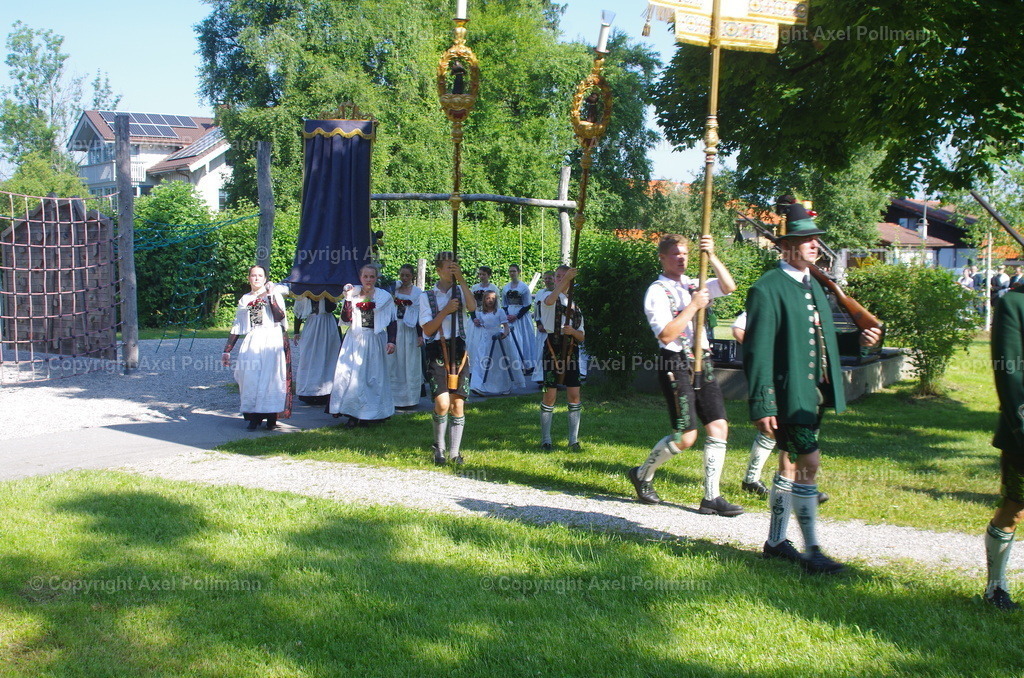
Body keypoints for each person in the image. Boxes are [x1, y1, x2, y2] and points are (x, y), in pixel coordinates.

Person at [744, 205, 881, 574]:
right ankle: (813, 550)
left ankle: (775, 542)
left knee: (789, 465)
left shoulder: (815, 286)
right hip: (790, 396)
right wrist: (762, 403)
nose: (815, 245)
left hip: (815, 392)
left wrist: (859, 341)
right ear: (786, 246)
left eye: (815, 239)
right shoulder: (766, 288)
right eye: (806, 240)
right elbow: (757, 352)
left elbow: (824, 340)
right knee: (810, 463)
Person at [627, 234, 744, 516]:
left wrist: (712, 255)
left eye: (685, 254)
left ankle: (711, 497)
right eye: (675, 254)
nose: (681, 259)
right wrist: (693, 306)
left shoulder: (695, 283)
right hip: (675, 363)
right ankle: (642, 474)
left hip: (703, 360)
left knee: (719, 426)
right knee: (686, 437)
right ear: (662, 258)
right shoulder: (657, 291)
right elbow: (666, 334)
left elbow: (729, 286)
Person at [732, 311, 829, 504]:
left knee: (796, 434)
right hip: (785, 378)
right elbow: (738, 329)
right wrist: (766, 356)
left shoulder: (814, 301)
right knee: (785, 431)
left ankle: (766, 481)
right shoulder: (775, 294)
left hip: (811, 379)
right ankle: (794, 487)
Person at [984, 282, 1024, 610]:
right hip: (1022, 428)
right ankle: (996, 586)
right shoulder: (1014, 302)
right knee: (1016, 505)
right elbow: (1009, 371)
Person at [420, 252, 476, 464]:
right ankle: (439, 447)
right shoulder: (426, 296)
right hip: (437, 348)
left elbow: (472, 308)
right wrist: (445, 311)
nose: (452, 272)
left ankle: (454, 452)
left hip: (459, 349)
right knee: (442, 403)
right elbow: (427, 329)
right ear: (438, 270)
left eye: (455, 268)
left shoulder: (461, 291)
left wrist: (461, 280)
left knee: (458, 404)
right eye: (448, 268)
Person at [328, 264, 397, 427]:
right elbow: (345, 318)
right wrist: (348, 297)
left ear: (376, 278)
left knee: (373, 376)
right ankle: (352, 413)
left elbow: (392, 320)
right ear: (360, 278)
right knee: (352, 376)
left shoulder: (383, 298)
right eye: (365, 276)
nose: (368, 280)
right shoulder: (354, 295)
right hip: (355, 339)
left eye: (372, 277)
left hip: (375, 339)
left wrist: (392, 341)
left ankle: (373, 413)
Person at [222, 265, 290, 431]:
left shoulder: (273, 293)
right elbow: (238, 326)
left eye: (260, 275)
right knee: (250, 377)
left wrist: (271, 295)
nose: (257, 278)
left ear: (265, 278)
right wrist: (227, 350)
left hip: (272, 339)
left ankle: (271, 418)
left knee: (271, 378)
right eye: (253, 275)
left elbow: (279, 316)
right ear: (249, 278)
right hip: (254, 338)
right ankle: (253, 416)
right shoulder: (245, 299)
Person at [538, 265, 585, 452]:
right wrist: (566, 280)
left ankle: (573, 440)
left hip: (571, 351)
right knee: (550, 395)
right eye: (557, 276)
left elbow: (582, 336)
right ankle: (546, 439)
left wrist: (573, 331)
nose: (559, 279)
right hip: (552, 349)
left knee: (574, 395)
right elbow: (551, 300)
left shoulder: (576, 306)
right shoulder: (547, 297)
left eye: (563, 277)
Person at [469, 290, 526, 395]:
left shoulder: (500, 312)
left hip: (498, 340)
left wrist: (504, 334)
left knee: (499, 364)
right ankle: (478, 386)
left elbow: (506, 327)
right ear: (484, 300)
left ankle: (504, 386)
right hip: (485, 340)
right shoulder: (481, 313)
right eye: (487, 298)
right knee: (481, 361)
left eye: (492, 299)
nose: (490, 301)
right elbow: (481, 326)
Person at [292, 295, 341, 406]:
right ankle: (308, 391)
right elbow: (298, 312)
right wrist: (296, 331)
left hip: (327, 324)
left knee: (327, 356)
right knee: (308, 357)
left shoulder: (328, 291)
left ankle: (326, 391)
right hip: (312, 324)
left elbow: (330, 308)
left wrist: (325, 295)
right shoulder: (304, 293)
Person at [389, 264, 424, 408]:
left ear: (412, 277)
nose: (404, 278)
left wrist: (420, 335)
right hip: (395, 328)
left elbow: (420, 315)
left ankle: (409, 398)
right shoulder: (394, 289)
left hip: (409, 330)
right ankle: (393, 397)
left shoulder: (417, 293)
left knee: (409, 362)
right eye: (402, 275)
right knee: (394, 362)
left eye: (407, 275)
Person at [501, 264, 537, 376]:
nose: (512, 273)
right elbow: (504, 304)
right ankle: (513, 365)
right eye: (510, 271)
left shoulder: (524, 287)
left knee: (524, 339)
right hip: (510, 315)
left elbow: (527, 305)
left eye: (514, 271)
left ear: (518, 272)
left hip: (521, 317)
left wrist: (516, 316)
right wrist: (507, 315)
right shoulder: (506, 287)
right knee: (512, 340)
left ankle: (527, 365)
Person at [532, 270, 556, 385]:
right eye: (545, 279)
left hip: (554, 327)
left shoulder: (558, 293)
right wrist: (539, 324)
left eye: (549, 278)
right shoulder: (540, 293)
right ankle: (540, 376)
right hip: (542, 327)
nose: (547, 281)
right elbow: (537, 310)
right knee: (541, 351)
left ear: (554, 279)